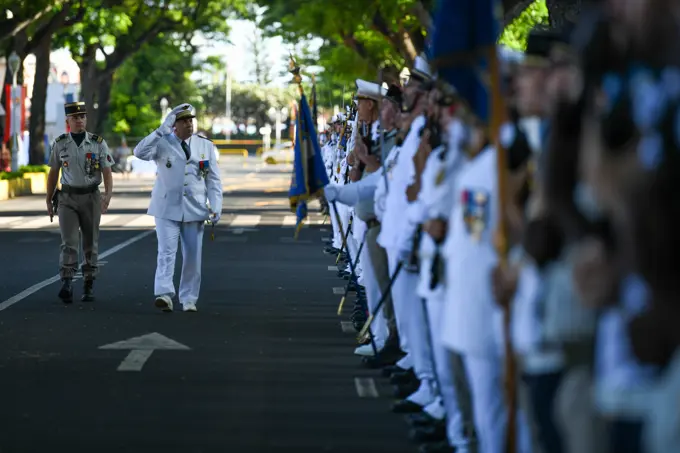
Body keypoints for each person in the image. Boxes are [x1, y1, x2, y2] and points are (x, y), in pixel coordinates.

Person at [133, 103, 223, 313]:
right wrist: (159, 131)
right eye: (183, 121)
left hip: (195, 207)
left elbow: (213, 180)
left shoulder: (205, 146)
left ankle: (189, 298)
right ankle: (164, 294)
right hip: (166, 206)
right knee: (166, 252)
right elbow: (139, 152)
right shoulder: (162, 142)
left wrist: (216, 206)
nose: (189, 124)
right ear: (174, 125)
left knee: (192, 256)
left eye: (190, 120)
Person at [45, 101, 114, 303]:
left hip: (91, 197)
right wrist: (49, 200)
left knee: (90, 242)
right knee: (69, 242)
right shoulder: (60, 143)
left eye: (82, 117)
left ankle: (88, 281)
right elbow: (53, 172)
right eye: (75, 117)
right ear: (68, 120)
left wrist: (107, 195)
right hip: (67, 198)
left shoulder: (97, 143)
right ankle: (66, 281)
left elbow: (107, 171)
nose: (80, 120)